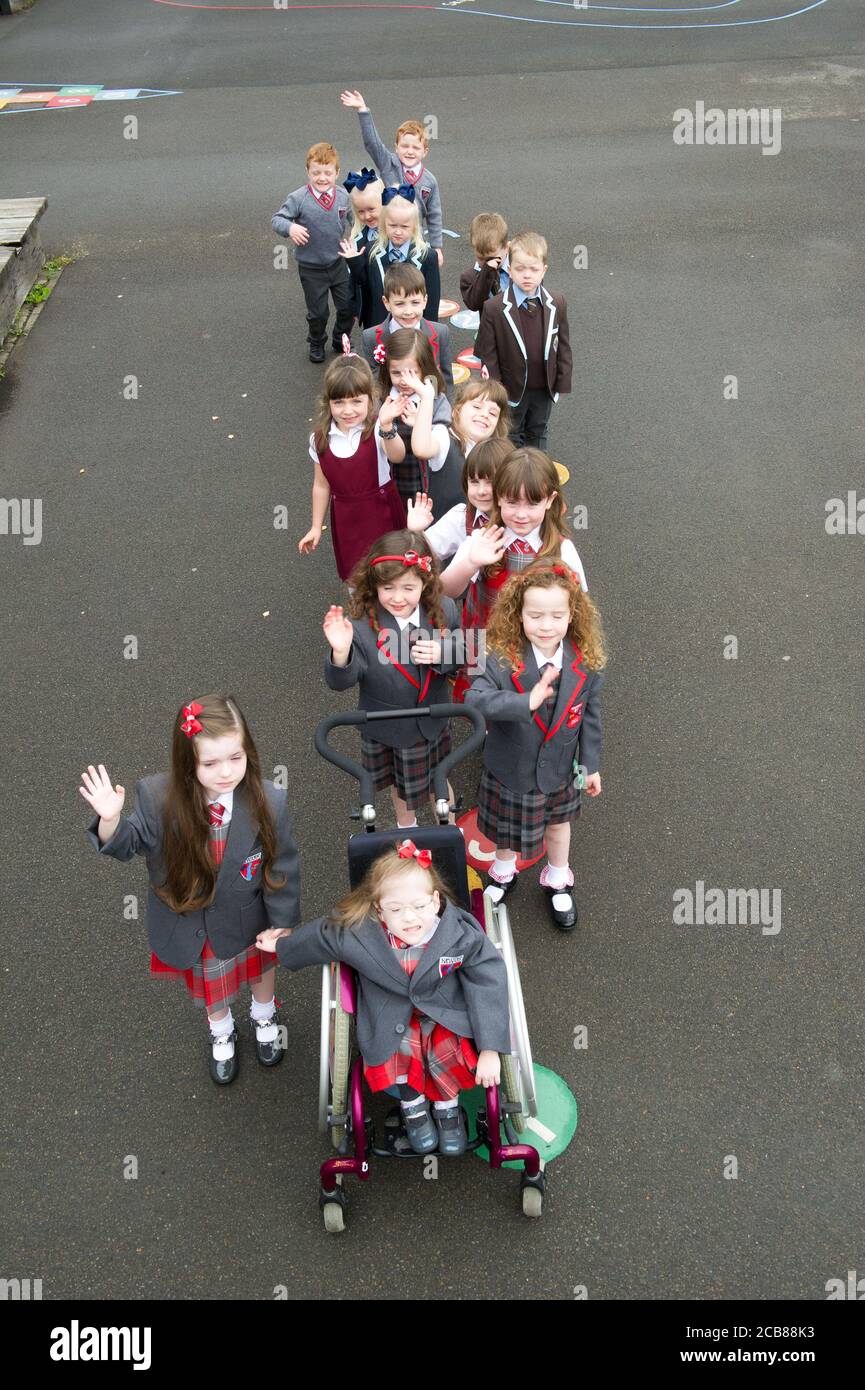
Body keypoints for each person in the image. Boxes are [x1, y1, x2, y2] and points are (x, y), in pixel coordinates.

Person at [79, 695, 300, 1083]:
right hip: (194, 918)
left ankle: (264, 1014)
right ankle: (221, 1029)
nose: (226, 772)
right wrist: (110, 821)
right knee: (212, 981)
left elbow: (281, 864)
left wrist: (282, 922)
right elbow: (129, 844)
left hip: (250, 915)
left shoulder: (269, 799)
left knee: (261, 967)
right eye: (210, 763)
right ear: (187, 763)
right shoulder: (158, 798)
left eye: (236, 757)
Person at [257, 841, 508, 1155]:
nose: (409, 918)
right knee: (397, 1058)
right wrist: (283, 945)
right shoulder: (362, 935)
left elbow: (488, 980)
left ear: (435, 902)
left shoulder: (458, 934)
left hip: (444, 1015)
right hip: (391, 1020)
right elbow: (324, 936)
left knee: (450, 1053)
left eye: (418, 907)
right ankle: (413, 1109)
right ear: (380, 911)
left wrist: (491, 1048)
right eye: (396, 909)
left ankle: (447, 1109)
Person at [466, 564, 605, 931]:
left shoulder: (585, 662)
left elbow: (590, 716)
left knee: (559, 827)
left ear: (572, 614)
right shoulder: (499, 656)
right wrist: (525, 701)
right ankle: (504, 870)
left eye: (557, 615)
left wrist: (590, 765)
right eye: (535, 615)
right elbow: (475, 699)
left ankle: (558, 879)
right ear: (518, 614)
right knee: (503, 828)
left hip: (560, 769)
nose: (546, 625)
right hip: (510, 766)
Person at [322, 531, 463, 829]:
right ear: (374, 585)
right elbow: (340, 682)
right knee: (401, 787)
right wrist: (340, 652)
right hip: (389, 728)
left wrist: (444, 652)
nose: (398, 598)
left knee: (441, 777)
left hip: (434, 720)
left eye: (408, 588)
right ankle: (406, 828)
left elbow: (466, 652)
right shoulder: (360, 628)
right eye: (388, 588)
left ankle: (450, 828)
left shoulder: (445, 610)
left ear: (425, 584)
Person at [440, 448, 587, 632]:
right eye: (512, 502)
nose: (521, 514)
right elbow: (445, 590)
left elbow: (579, 608)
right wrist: (471, 562)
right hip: (482, 649)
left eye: (533, 504)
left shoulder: (563, 550)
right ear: (499, 497)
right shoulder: (483, 540)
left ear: (550, 500)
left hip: (535, 653)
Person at [298, 352, 406, 582]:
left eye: (356, 401)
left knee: (392, 576)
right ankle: (364, 617)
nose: (348, 411)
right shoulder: (320, 440)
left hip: (382, 514)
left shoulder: (377, 428)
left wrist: (387, 426)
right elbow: (321, 485)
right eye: (339, 402)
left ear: (370, 398)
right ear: (328, 403)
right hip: (346, 521)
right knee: (356, 579)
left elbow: (397, 455)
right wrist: (316, 526)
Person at [474, 230, 572, 452]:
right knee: (511, 433)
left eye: (533, 269)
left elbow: (563, 344)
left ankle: (536, 480)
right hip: (511, 389)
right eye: (520, 269)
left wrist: (562, 382)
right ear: (509, 270)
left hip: (544, 387)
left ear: (543, 270)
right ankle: (514, 478)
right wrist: (496, 390)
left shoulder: (557, 302)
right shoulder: (495, 308)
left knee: (538, 431)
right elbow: (488, 354)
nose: (527, 275)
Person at [271, 141, 355, 363]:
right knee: (318, 313)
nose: (322, 177)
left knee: (348, 306)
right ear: (307, 171)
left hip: (338, 264)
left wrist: (358, 236)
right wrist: (290, 227)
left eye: (328, 172)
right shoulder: (298, 198)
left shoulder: (343, 196)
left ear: (337, 173)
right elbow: (277, 219)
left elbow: (356, 221)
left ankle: (340, 338)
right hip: (311, 268)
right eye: (316, 172)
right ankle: (317, 341)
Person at [340, 90, 443, 266]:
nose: (409, 151)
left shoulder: (429, 181)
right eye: (404, 146)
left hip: (414, 238)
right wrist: (363, 110)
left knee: (414, 280)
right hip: (387, 235)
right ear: (396, 147)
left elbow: (434, 215)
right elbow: (372, 143)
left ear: (424, 151)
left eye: (415, 147)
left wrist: (437, 247)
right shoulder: (388, 164)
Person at [405, 381, 512, 539]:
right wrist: (427, 399)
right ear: (456, 411)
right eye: (476, 407)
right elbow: (421, 448)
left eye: (493, 413)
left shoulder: (498, 453)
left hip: (486, 538)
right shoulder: (445, 439)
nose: (484, 415)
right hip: (443, 542)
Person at [377, 328, 452, 510]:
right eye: (397, 373)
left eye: (412, 373)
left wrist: (422, 419)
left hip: (430, 485)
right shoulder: (383, 400)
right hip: (395, 483)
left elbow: (442, 443)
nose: (404, 381)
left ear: (425, 370)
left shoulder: (436, 401)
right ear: (387, 371)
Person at [341, 191, 440, 326]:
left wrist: (430, 333)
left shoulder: (427, 256)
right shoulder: (371, 250)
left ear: (414, 227)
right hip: (378, 324)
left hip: (412, 326)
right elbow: (363, 285)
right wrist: (354, 262)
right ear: (383, 224)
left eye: (404, 226)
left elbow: (432, 299)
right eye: (392, 225)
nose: (398, 231)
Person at [361, 262, 453, 390]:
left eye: (415, 302)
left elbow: (446, 381)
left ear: (425, 301)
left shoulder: (440, 332)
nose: (408, 311)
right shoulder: (371, 337)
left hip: (431, 406)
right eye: (400, 304)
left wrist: (444, 409)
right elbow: (375, 386)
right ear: (386, 303)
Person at [342, 167, 384, 327]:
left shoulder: (396, 234)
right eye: (360, 211)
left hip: (400, 303)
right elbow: (356, 280)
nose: (367, 216)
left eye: (371, 209)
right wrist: (354, 308)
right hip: (373, 307)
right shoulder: (358, 239)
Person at [460, 212, 510, 312]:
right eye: (481, 258)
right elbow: (473, 304)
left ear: (507, 248)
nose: (487, 263)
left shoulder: (521, 267)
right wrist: (486, 273)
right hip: (492, 326)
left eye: (492, 258)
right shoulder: (470, 277)